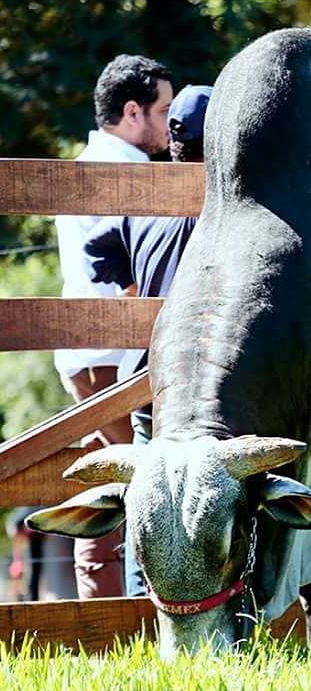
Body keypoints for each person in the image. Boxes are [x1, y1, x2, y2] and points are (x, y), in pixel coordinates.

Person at [82, 84, 212, 595]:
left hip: (145, 382)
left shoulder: (144, 200)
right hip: (203, 386)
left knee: (148, 501)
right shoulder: (231, 203)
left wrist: (137, 286)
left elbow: (98, 253)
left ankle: (142, 605)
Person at [54, 54, 174, 599]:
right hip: (113, 352)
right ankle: (122, 617)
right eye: (164, 111)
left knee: (108, 477)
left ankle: (100, 622)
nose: (170, 126)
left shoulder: (90, 162)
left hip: (89, 351)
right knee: (142, 483)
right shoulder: (124, 176)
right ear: (133, 112)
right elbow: (115, 272)